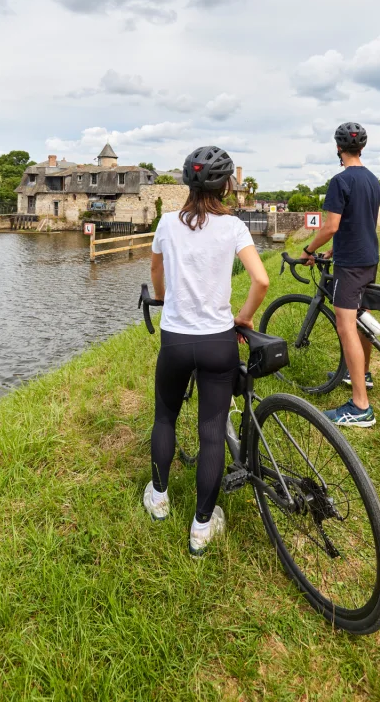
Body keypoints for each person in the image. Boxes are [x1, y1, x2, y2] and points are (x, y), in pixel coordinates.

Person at [144, 145, 270, 556]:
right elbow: (261, 280)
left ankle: (159, 499)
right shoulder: (234, 226)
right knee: (211, 433)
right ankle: (201, 526)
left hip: (176, 340)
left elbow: (156, 271)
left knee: (165, 417)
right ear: (227, 185)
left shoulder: (166, 222)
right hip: (218, 342)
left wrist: (163, 300)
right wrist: (245, 317)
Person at [298, 122, 380, 428]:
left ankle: (360, 407)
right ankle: (363, 375)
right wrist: (336, 248)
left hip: (351, 265)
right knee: (362, 319)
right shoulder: (373, 179)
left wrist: (308, 250)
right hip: (369, 257)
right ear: (362, 147)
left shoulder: (340, 180)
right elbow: (361, 222)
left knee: (346, 326)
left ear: (338, 148)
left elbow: (331, 225)